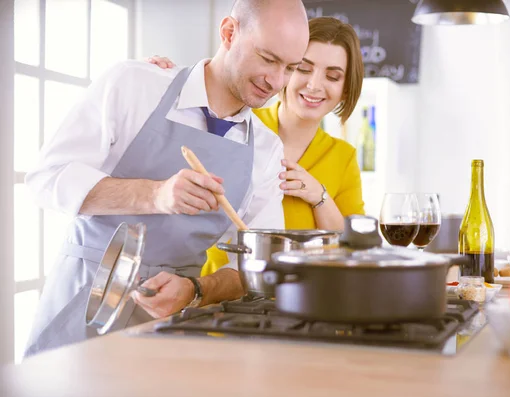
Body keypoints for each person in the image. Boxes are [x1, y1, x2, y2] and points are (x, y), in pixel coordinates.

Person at [23, 0, 309, 356]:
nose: (277, 81)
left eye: (291, 68)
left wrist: (197, 289)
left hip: (170, 326)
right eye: (268, 59)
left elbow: (255, 265)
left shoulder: (266, 151)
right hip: (84, 304)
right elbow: (47, 179)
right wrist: (155, 195)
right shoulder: (134, 84)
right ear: (229, 33)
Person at [149, 17, 366, 276]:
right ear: (284, 69)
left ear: (345, 89)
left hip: (302, 297)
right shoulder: (237, 123)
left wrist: (320, 197)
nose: (314, 85)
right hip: (216, 290)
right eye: (303, 69)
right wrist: (163, 80)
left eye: (332, 76)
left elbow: (354, 249)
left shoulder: (343, 157)